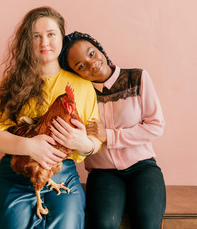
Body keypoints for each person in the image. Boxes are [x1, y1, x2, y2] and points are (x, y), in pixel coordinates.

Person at [0, 8, 101, 229]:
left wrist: (84, 144)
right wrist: (29, 146)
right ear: (27, 41)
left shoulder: (82, 86)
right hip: (17, 169)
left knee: (67, 224)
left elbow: (95, 138)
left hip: (62, 172)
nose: (44, 42)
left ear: (62, 37)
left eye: (51, 34)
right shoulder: (12, 84)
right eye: (36, 36)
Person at [58, 31, 166, 229]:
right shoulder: (79, 94)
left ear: (99, 47)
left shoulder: (137, 78)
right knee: (104, 223)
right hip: (103, 173)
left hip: (143, 167)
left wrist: (108, 135)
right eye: (80, 65)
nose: (91, 64)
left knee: (148, 224)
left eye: (91, 53)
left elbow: (156, 126)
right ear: (75, 73)